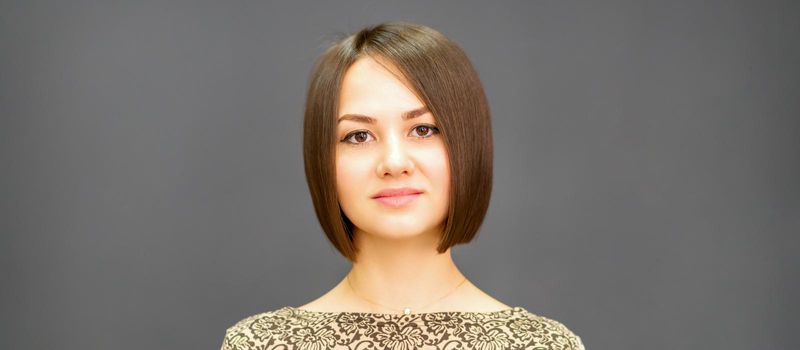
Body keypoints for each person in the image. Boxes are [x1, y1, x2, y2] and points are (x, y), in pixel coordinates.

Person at [220, 21, 585, 350]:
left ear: (468, 143)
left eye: (423, 130)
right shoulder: (262, 343)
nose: (394, 163)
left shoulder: (542, 345)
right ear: (322, 160)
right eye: (358, 136)